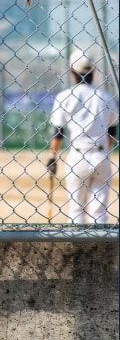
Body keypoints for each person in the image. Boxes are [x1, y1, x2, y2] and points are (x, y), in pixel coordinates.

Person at [47, 50, 118, 224]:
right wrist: (103, 149)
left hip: (77, 155)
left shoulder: (65, 97)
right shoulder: (106, 97)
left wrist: (52, 156)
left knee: (76, 209)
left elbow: (58, 132)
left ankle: (78, 249)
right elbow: (112, 131)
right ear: (94, 71)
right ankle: (101, 249)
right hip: (101, 154)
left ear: (72, 72)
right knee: (99, 212)